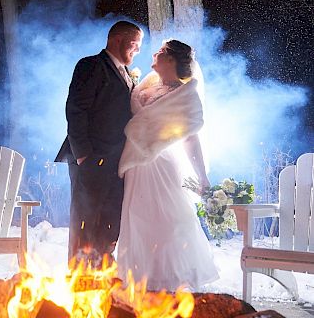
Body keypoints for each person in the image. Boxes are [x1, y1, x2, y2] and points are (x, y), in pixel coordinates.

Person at [117, 39, 219, 291]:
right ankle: (141, 282)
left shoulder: (184, 94)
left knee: (168, 221)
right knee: (137, 220)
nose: (154, 54)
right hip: (137, 166)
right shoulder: (144, 89)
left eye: (161, 52)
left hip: (163, 166)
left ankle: (170, 284)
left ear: (172, 60)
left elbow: (190, 138)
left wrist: (202, 176)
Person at [55, 21, 144, 263]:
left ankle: (102, 272)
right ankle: (80, 277)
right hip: (90, 157)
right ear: (117, 40)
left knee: (110, 218)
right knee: (86, 218)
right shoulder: (91, 65)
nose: (137, 51)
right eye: (134, 45)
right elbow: (76, 109)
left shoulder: (126, 73)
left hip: (117, 159)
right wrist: (84, 155)